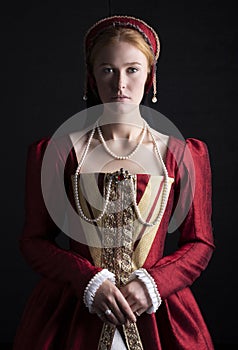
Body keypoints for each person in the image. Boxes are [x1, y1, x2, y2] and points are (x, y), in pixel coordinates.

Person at [14, 15, 215, 350]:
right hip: (74, 314)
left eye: (132, 69)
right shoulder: (58, 152)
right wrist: (87, 279)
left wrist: (153, 284)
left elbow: (200, 243)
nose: (120, 83)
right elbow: (34, 241)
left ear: (150, 75)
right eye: (107, 69)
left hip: (158, 315)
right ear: (92, 78)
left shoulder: (183, 154)